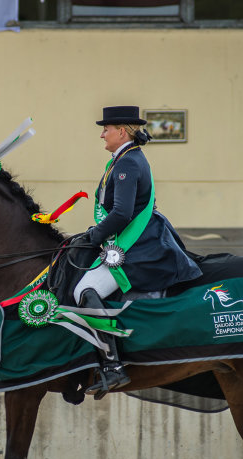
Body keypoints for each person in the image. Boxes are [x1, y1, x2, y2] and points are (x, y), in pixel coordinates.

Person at [73, 105, 202, 394]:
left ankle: (112, 366)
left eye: (106, 129)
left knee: (84, 291)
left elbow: (121, 214)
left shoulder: (128, 163)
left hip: (140, 245)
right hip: (135, 238)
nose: (102, 135)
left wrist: (94, 235)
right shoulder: (124, 159)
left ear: (121, 131)